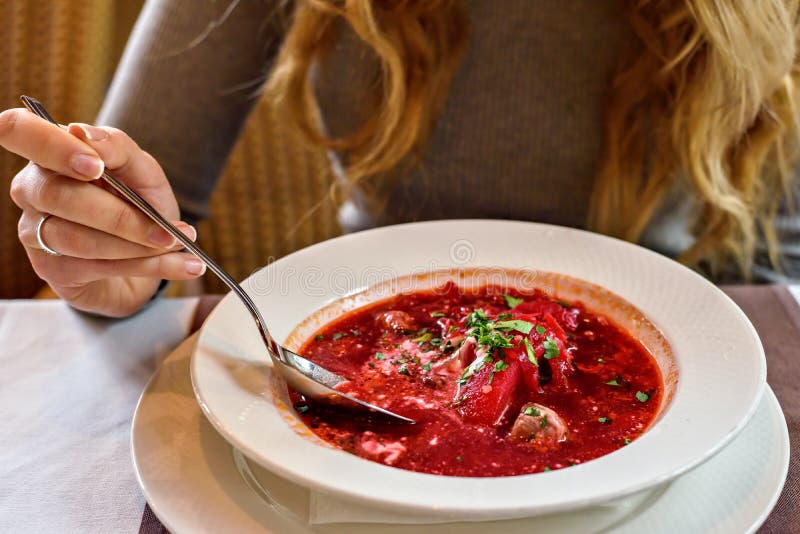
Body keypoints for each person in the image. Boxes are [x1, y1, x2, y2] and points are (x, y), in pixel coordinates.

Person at [1, 0, 799, 318]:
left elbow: (786, 265)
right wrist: (106, 251)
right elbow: (139, 225)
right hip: (373, 327)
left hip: (677, 360)